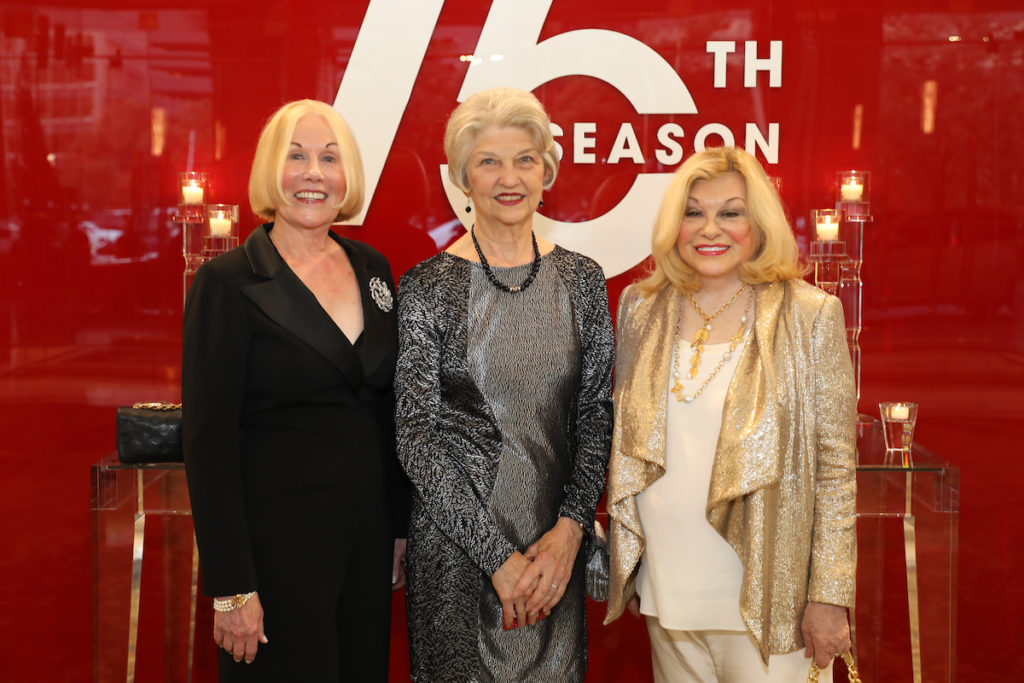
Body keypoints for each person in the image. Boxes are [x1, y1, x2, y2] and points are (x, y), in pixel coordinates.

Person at [604, 146, 857, 682]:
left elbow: (836, 470)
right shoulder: (640, 310)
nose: (709, 228)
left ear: (759, 224)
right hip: (667, 590)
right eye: (693, 212)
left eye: (731, 212)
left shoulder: (810, 314)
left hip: (771, 603)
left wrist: (829, 594)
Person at [182, 99, 408, 681]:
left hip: (366, 542)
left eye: (329, 158)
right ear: (269, 172)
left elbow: (388, 411)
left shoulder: (373, 268)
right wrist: (231, 588)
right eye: (297, 156)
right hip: (273, 554)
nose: (314, 173)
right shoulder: (227, 283)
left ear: (347, 176)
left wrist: (400, 527)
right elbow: (208, 445)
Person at [394, 87, 614, 681]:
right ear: (463, 178)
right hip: (458, 556)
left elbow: (595, 416)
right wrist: (496, 558)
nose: (508, 176)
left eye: (524, 158)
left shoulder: (583, 282)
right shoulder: (428, 288)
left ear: (547, 169)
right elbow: (416, 438)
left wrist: (570, 532)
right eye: (488, 161)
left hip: (553, 553)